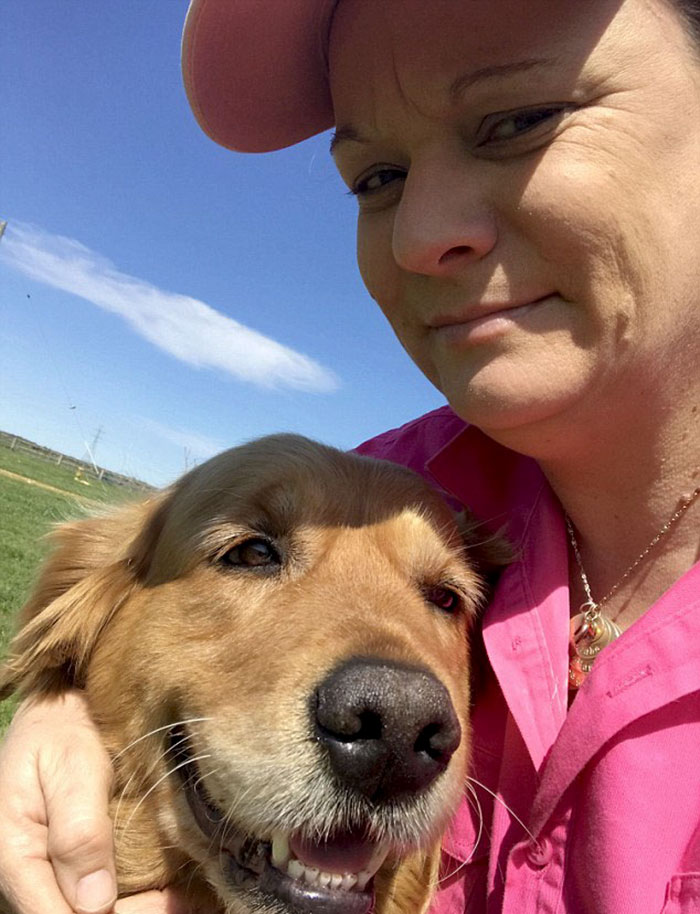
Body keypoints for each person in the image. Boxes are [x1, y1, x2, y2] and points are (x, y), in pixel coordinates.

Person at [1, 1, 699, 912]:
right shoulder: (372, 487)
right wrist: (63, 708)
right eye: (377, 176)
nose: (419, 236)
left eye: (521, 119)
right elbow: (108, 627)